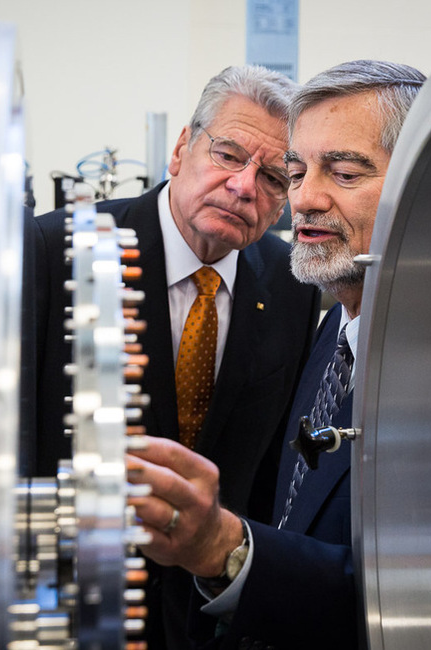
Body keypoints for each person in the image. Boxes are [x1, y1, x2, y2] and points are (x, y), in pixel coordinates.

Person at [126, 59, 426, 649]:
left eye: (342, 173)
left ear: (422, 187)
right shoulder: (331, 328)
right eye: (298, 171)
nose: (303, 199)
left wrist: (225, 549)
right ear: (182, 148)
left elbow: (414, 596)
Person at [28, 65, 321, 649]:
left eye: (271, 176)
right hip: (76, 604)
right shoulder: (56, 252)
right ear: (183, 147)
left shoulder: (293, 290)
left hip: (212, 617)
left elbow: (267, 476)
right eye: (228, 154)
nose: (244, 187)